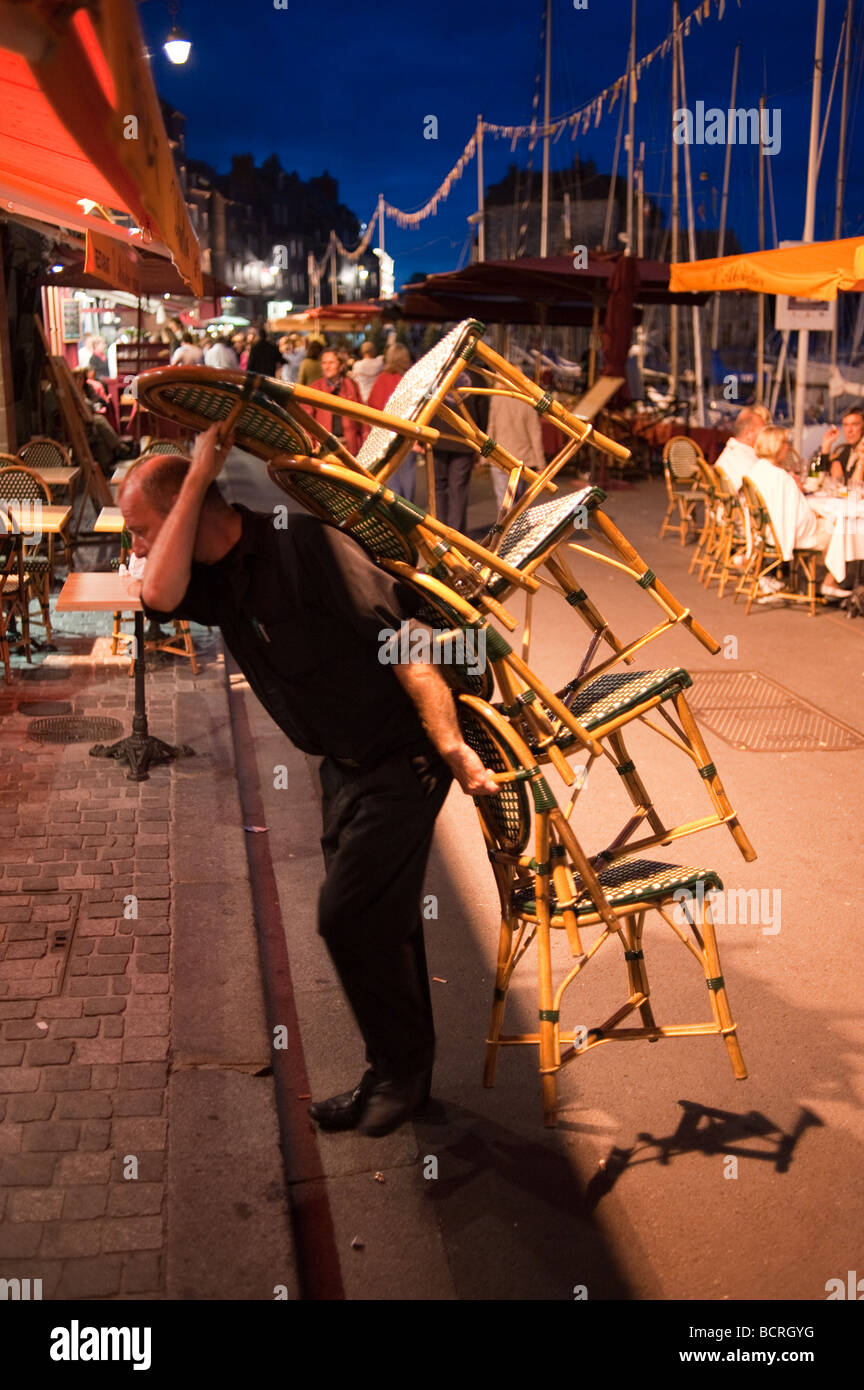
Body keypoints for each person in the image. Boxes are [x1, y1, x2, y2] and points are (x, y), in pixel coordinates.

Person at [118, 429, 498, 1136]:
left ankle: (399, 1075)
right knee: (384, 924)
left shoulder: (305, 546)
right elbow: (155, 596)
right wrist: (195, 478)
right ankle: (397, 1074)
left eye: (142, 529)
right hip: (343, 767)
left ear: (188, 512)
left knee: (346, 917)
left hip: (401, 758)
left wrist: (449, 744)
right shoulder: (215, 577)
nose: (135, 546)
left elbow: (404, 636)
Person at [748, 426, 848, 602]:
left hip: (763, 533)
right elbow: (800, 520)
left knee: (829, 521)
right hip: (782, 536)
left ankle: (809, 581)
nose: (788, 447)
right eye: (786, 442)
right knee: (840, 525)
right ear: (776, 446)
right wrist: (815, 516)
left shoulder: (756, 470)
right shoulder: (781, 477)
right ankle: (829, 581)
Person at [487, 378, 546, 510]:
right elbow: (535, 433)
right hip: (523, 459)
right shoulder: (528, 401)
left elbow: (491, 428)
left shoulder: (496, 399)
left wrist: (485, 455)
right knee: (519, 503)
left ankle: (505, 529)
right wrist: (541, 463)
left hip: (500, 456)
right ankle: (516, 529)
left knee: (503, 503)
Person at [367, 344, 415, 497]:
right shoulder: (413, 378)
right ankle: (409, 514)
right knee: (408, 477)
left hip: (386, 437)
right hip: (408, 435)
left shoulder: (382, 379)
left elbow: (373, 405)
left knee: (391, 479)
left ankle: (395, 514)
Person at [303, 348, 364, 456]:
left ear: (341, 366)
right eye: (324, 363)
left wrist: (363, 445)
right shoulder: (315, 389)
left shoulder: (352, 386)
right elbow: (305, 422)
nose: (327, 367)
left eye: (331, 363)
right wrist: (311, 449)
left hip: (350, 448)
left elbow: (362, 420)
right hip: (324, 450)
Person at [713, 404, 771, 492]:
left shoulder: (730, 453)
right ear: (749, 434)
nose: (767, 436)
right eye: (763, 431)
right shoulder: (748, 463)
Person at [812, 409, 864, 482]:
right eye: (846, 425)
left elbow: (856, 486)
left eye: (854, 424)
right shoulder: (849, 449)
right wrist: (826, 446)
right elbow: (822, 477)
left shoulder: (861, 450)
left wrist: (861, 463)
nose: (849, 430)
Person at [350, 340, 385, 404]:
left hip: (362, 399)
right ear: (374, 351)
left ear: (361, 352)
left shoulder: (357, 365)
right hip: (376, 399)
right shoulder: (379, 363)